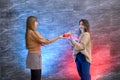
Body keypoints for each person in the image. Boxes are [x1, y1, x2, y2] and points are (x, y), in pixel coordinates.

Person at [25, 16, 63, 80]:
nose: (37, 23)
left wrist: (40, 44)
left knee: (34, 77)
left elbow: (33, 43)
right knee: (37, 77)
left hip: (32, 56)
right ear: (32, 23)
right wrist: (59, 37)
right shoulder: (33, 32)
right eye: (36, 22)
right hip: (35, 57)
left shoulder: (29, 31)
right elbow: (46, 41)